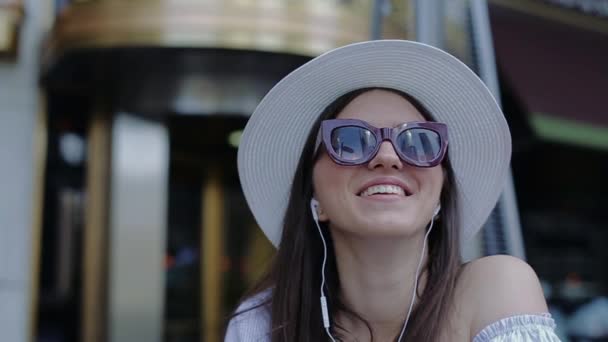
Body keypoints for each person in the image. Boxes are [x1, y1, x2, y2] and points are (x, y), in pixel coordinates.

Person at [226, 40, 561, 341]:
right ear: (314, 197)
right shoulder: (262, 324)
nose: (388, 157)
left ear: (440, 198)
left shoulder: (494, 289)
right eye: (350, 140)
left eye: (419, 142)